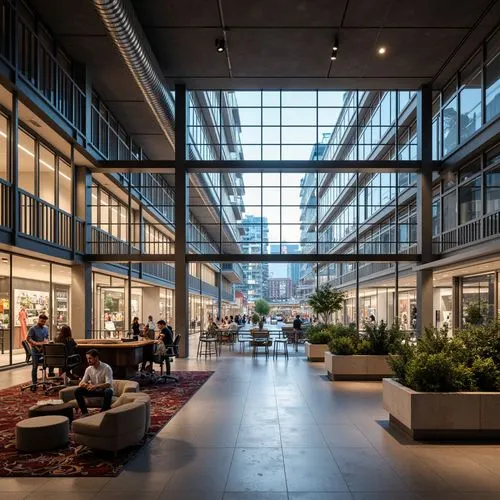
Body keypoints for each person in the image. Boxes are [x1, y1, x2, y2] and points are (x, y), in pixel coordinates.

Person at [75, 349, 113, 415]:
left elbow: (108, 384)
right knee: (78, 390)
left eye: (90, 358)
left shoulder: (106, 368)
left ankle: (104, 412)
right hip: (93, 390)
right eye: (87, 358)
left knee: (109, 391)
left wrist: (95, 386)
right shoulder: (88, 369)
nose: (88, 361)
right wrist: (86, 385)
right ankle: (85, 412)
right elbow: (81, 383)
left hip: (103, 391)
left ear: (96, 358)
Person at [27, 313, 51, 391]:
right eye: (41, 321)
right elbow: (28, 339)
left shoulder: (46, 328)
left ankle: (49, 376)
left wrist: (46, 341)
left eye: (44, 322)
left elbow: (46, 337)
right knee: (35, 367)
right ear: (39, 319)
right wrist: (36, 344)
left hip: (44, 350)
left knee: (51, 360)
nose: (43, 323)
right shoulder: (33, 329)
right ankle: (34, 383)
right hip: (35, 350)